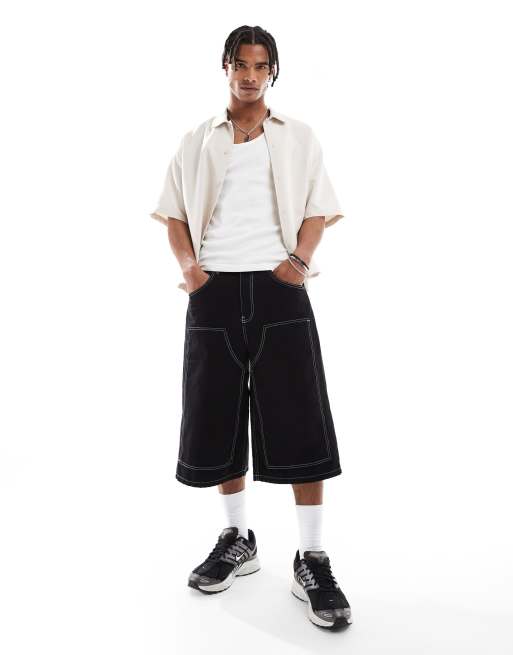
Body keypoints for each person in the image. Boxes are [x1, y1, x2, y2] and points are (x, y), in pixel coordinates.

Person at [149, 24, 352, 630]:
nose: (250, 75)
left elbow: (317, 209)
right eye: (241, 63)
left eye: (261, 66)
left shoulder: (298, 137)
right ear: (226, 67)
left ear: (273, 72)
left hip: (279, 288)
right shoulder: (197, 140)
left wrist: (297, 265)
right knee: (217, 417)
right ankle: (238, 539)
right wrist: (192, 274)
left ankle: (311, 557)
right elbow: (173, 214)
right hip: (212, 293)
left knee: (300, 417)